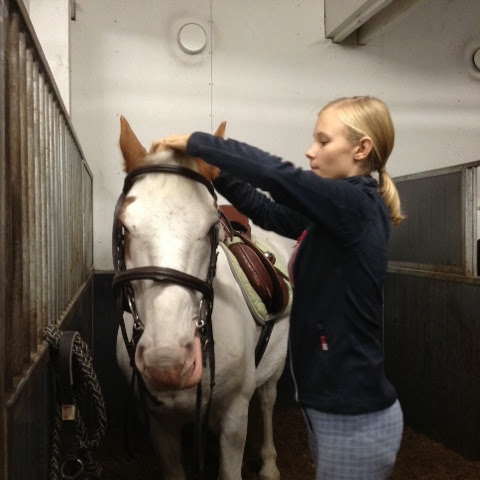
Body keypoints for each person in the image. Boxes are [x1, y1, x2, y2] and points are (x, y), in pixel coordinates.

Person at [151, 96, 404, 480]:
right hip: (331, 405)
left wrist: (199, 143)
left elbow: (278, 176)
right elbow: (267, 210)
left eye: (323, 140)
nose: (310, 151)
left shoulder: (355, 204)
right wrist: (217, 173)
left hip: (352, 415)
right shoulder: (336, 213)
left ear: (361, 148)